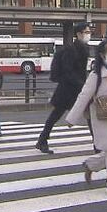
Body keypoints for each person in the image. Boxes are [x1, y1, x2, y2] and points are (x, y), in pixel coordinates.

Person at [65, 39, 107, 196]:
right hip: (102, 116)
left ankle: (91, 165)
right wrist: (72, 118)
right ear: (102, 55)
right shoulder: (95, 75)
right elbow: (84, 96)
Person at [37, 23, 91, 154]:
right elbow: (68, 71)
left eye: (89, 32)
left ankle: (97, 144)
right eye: (86, 32)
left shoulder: (83, 48)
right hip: (68, 89)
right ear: (78, 34)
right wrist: (81, 84)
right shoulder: (71, 50)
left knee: (89, 116)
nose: (88, 34)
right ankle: (42, 139)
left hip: (75, 88)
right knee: (57, 115)